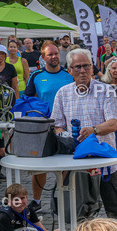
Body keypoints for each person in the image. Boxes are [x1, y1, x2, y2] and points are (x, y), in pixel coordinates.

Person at [51, 49, 117, 222]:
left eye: (86, 66)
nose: (83, 71)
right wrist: (67, 137)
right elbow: (57, 126)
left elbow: (113, 124)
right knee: (81, 214)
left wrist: (94, 130)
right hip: (78, 164)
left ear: (93, 68)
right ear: (69, 70)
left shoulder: (106, 90)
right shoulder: (62, 93)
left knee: (115, 210)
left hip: (106, 163)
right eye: (77, 67)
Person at [24, 41, 74, 201]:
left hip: (65, 127)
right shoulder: (36, 76)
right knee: (40, 168)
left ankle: (63, 197)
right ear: (43, 57)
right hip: (43, 128)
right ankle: (36, 201)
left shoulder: (69, 75)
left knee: (65, 164)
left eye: (56, 53)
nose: (54, 57)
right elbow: (28, 101)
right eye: (50, 54)